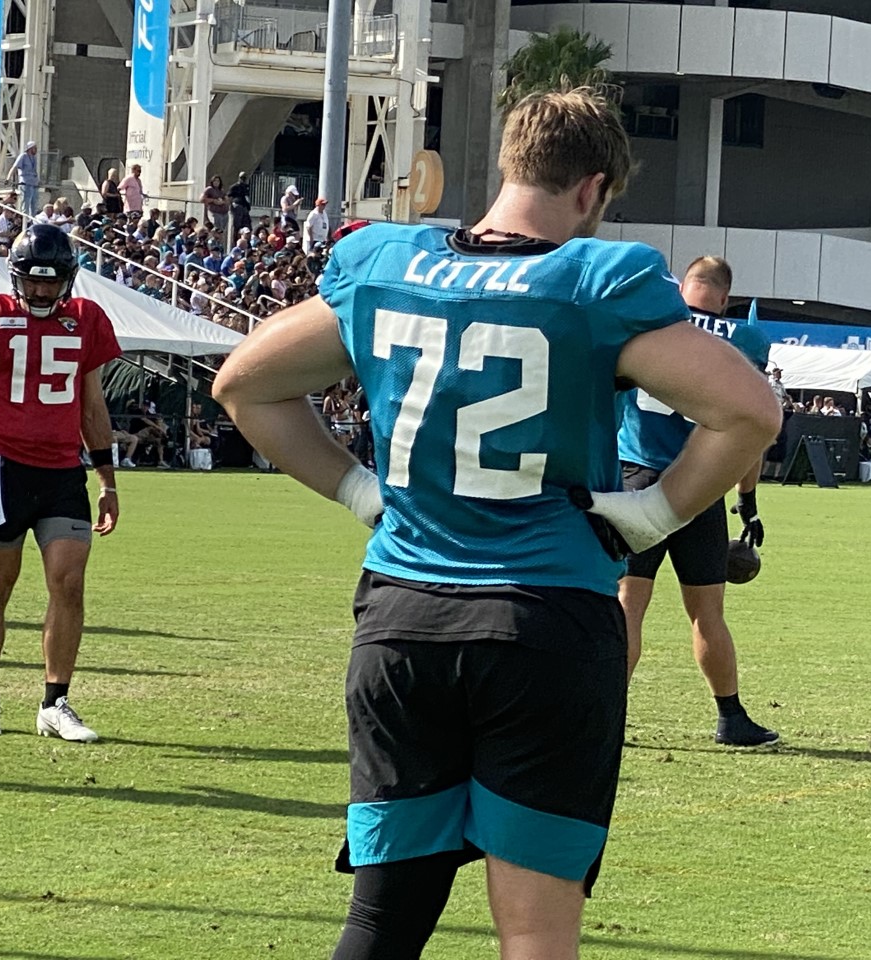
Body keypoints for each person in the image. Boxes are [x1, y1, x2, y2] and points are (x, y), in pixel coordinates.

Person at [213, 87, 780, 960]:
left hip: (402, 620)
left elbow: (244, 386)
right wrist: (650, 514)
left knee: (381, 922)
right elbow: (748, 411)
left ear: (509, 162)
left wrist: (361, 493)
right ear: (592, 189)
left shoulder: (388, 261)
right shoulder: (593, 281)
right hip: (543, 621)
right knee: (534, 935)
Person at [617, 255, 779, 748]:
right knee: (707, 611)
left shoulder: (646, 323)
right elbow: (749, 430)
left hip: (636, 476)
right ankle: (730, 718)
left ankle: (608, 715)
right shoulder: (741, 340)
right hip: (701, 485)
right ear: (726, 298)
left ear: (681, 287)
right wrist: (747, 501)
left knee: (628, 605)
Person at [0, 225, 122, 742]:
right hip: (0, 466)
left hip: (64, 471)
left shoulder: (85, 319)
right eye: (33, 281)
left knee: (69, 582)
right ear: (16, 277)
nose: (42, 291)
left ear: (68, 279)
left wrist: (107, 480)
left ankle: (54, 701)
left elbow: (92, 404)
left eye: (52, 281)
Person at [7, 141, 40, 219]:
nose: (36, 150)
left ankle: (32, 222)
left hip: (34, 184)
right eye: (35, 148)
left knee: (34, 205)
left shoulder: (34, 158)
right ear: (30, 148)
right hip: (25, 184)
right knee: (25, 204)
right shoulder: (23, 156)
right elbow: (14, 167)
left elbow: (34, 171)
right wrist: (8, 178)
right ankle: (23, 223)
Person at [228, 171, 253, 236]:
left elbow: (247, 197)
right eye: (242, 178)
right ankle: (235, 239)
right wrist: (231, 207)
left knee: (247, 224)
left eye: (244, 178)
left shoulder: (246, 187)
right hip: (237, 205)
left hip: (245, 207)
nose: (243, 179)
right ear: (239, 178)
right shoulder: (234, 187)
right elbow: (229, 197)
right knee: (237, 225)